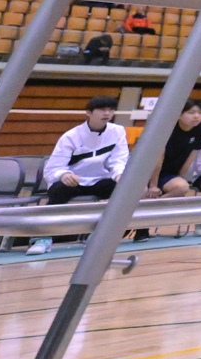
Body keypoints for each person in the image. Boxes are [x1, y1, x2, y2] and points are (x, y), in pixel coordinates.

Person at [32, 97, 131, 252]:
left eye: (110, 110)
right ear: (88, 113)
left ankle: (108, 234)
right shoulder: (71, 136)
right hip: (74, 181)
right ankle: (43, 237)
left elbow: (119, 160)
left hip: (99, 180)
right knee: (58, 190)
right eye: (102, 110)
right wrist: (64, 174)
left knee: (123, 189)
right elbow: (53, 167)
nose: (107, 113)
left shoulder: (118, 132)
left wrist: (119, 174)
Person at [157, 100, 201, 199]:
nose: (196, 116)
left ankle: (158, 206)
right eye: (191, 113)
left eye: (200, 112)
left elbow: (192, 155)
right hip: (150, 171)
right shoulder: (167, 128)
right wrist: (153, 185)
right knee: (144, 192)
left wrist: (180, 177)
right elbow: (158, 159)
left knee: (182, 187)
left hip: (169, 173)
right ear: (179, 115)